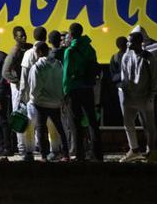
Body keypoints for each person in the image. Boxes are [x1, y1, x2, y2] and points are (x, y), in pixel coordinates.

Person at [118, 27, 157, 162]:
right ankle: (134, 149)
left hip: (144, 97)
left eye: (130, 42)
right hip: (130, 97)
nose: (127, 44)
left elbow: (156, 78)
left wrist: (152, 95)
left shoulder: (149, 58)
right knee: (128, 123)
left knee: (149, 125)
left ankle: (151, 150)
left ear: (138, 43)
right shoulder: (126, 56)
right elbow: (124, 76)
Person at [62, 23, 103, 161]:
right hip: (88, 87)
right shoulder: (90, 48)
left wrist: (65, 92)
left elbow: (66, 74)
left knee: (75, 122)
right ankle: (97, 154)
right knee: (92, 121)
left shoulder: (70, 51)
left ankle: (79, 154)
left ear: (71, 34)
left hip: (74, 89)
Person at [27, 42, 69, 162]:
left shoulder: (37, 67)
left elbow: (34, 87)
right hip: (56, 102)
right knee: (60, 128)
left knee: (41, 128)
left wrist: (33, 99)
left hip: (41, 103)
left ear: (39, 52)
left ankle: (44, 156)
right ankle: (66, 154)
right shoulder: (58, 64)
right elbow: (62, 82)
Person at [17, 26, 48, 160]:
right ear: (45, 37)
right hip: (47, 96)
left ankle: (29, 152)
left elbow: (23, 78)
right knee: (47, 126)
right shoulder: (49, 52)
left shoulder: (28, 54)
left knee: (30, 125)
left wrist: (21, 96)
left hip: (31, 97)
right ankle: (49, 152)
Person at [2, 26, 29, 153]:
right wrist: (17, 82)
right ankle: (21, 146)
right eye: (20, 35)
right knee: (19, 115)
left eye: (24, 35)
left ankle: (29, 145)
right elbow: (5, 72)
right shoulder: (14, 51)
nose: (23, 37)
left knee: (29, 114)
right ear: (15, 38)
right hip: (18, 88)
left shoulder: (28, 47)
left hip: (27, 86)